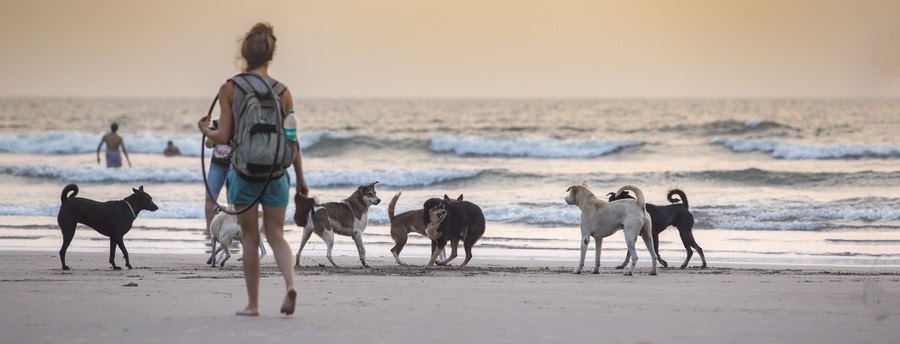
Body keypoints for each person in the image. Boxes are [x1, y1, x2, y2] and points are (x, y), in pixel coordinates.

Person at [197, 22, 309, 317]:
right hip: (276, 174)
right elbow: (292, 139)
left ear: (243, 54)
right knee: (276, 234)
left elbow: (223, 138)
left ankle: (253, 304)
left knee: (250, 238)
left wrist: (205, 130)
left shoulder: (230, 88)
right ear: (270, 56)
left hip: (245, 174)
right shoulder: (283, 92)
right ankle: (290, 286)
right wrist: (300, 179)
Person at [203, 121, 231, 236]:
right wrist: (211, 135)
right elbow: (208, 145)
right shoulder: (217, 124)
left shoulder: (240, 122)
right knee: (210, 198)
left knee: (233, 201)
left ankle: (233, 230)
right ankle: (209, 228)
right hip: (217, 165)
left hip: (234, 166)